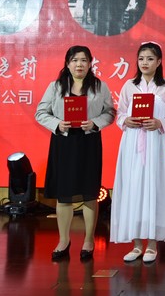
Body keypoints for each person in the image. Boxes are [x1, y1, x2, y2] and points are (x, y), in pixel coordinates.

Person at [35, 46, 116, 261]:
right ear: (67, 63)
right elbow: (41, 112)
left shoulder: (99, 86)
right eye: (74, 60)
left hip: (89, 142)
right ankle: (64, 240)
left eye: (83, 60)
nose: (79, 64)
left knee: (90, 193)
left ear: (90, 63)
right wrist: (57, 124)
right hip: (64, 142)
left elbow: (110, 112)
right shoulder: (56, 87)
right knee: (64, 194)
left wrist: (95, 123)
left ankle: (89, 240)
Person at [110, 42, 165, 264]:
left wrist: (160, 123)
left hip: (156, 142)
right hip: (133, 144)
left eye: (150, 59)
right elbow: (120, 114)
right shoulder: (129, 86)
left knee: (156, 189)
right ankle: (137, 244)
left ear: (159, 62)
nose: (145, 63)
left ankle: (152, 244)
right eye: (141, 59)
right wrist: (126, 120)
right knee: (134, 189)